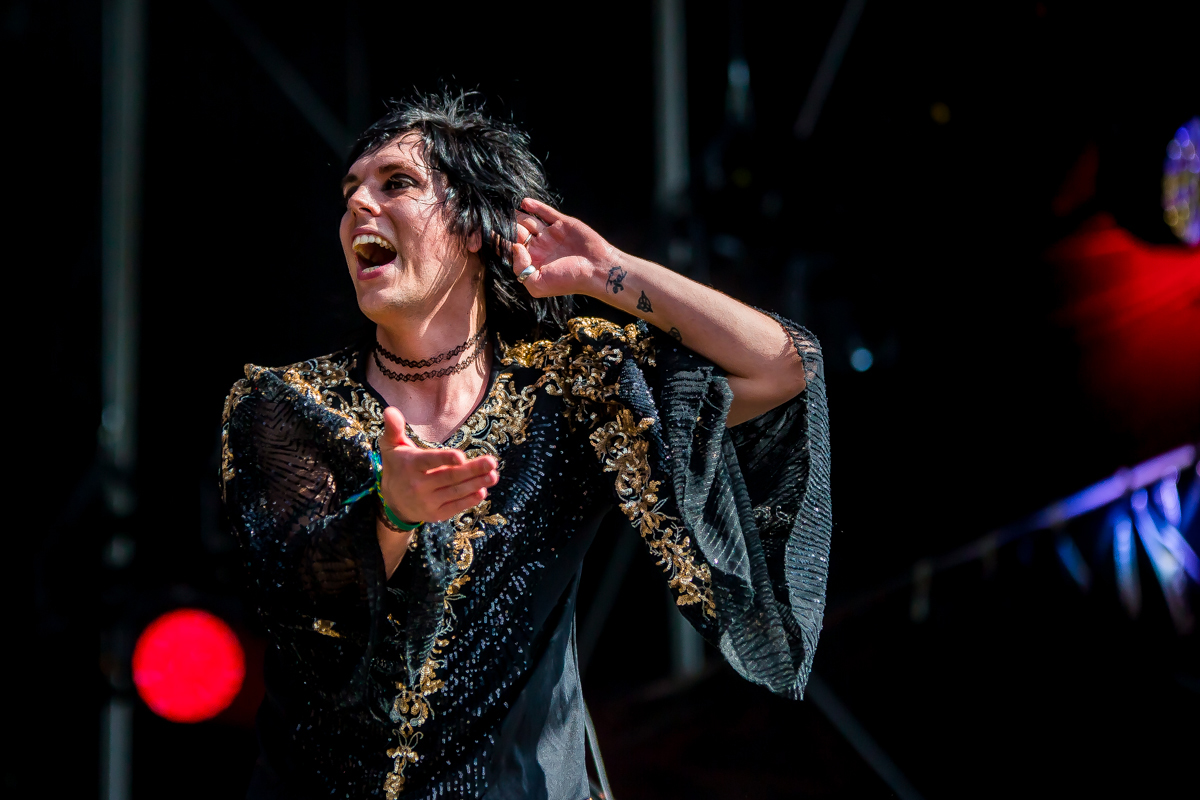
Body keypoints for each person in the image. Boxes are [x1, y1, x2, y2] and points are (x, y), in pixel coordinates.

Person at [221, 91, 831, 800]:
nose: (359, 203)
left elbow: (783, 367)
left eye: (397, 183)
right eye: (350, 190)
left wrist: (614, 273)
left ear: (473, 227)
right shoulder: (289, 403)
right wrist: (389, 513)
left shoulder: (570, 389)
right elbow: (298, 594)